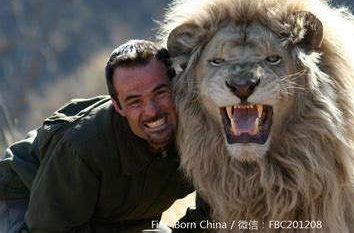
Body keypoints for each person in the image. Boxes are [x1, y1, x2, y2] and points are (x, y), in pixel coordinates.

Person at [0, 40, 208, 232]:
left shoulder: (205, 133)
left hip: (111, 218)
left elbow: (216, 215)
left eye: (160, 93)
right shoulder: (83, 146)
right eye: (135, 101)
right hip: (24, 199)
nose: (152, 111)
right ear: (118, 106)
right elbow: (49, 228)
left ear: (177, 88)